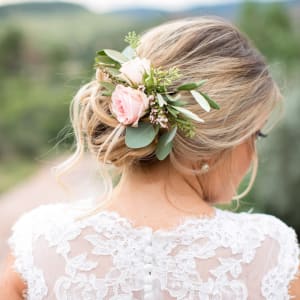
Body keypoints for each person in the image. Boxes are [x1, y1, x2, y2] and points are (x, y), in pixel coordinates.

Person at [1, 16, 299, 300]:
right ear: (215, 143)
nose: (252, 155)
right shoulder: (270, 254)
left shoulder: (40, 244)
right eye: (254, 136)